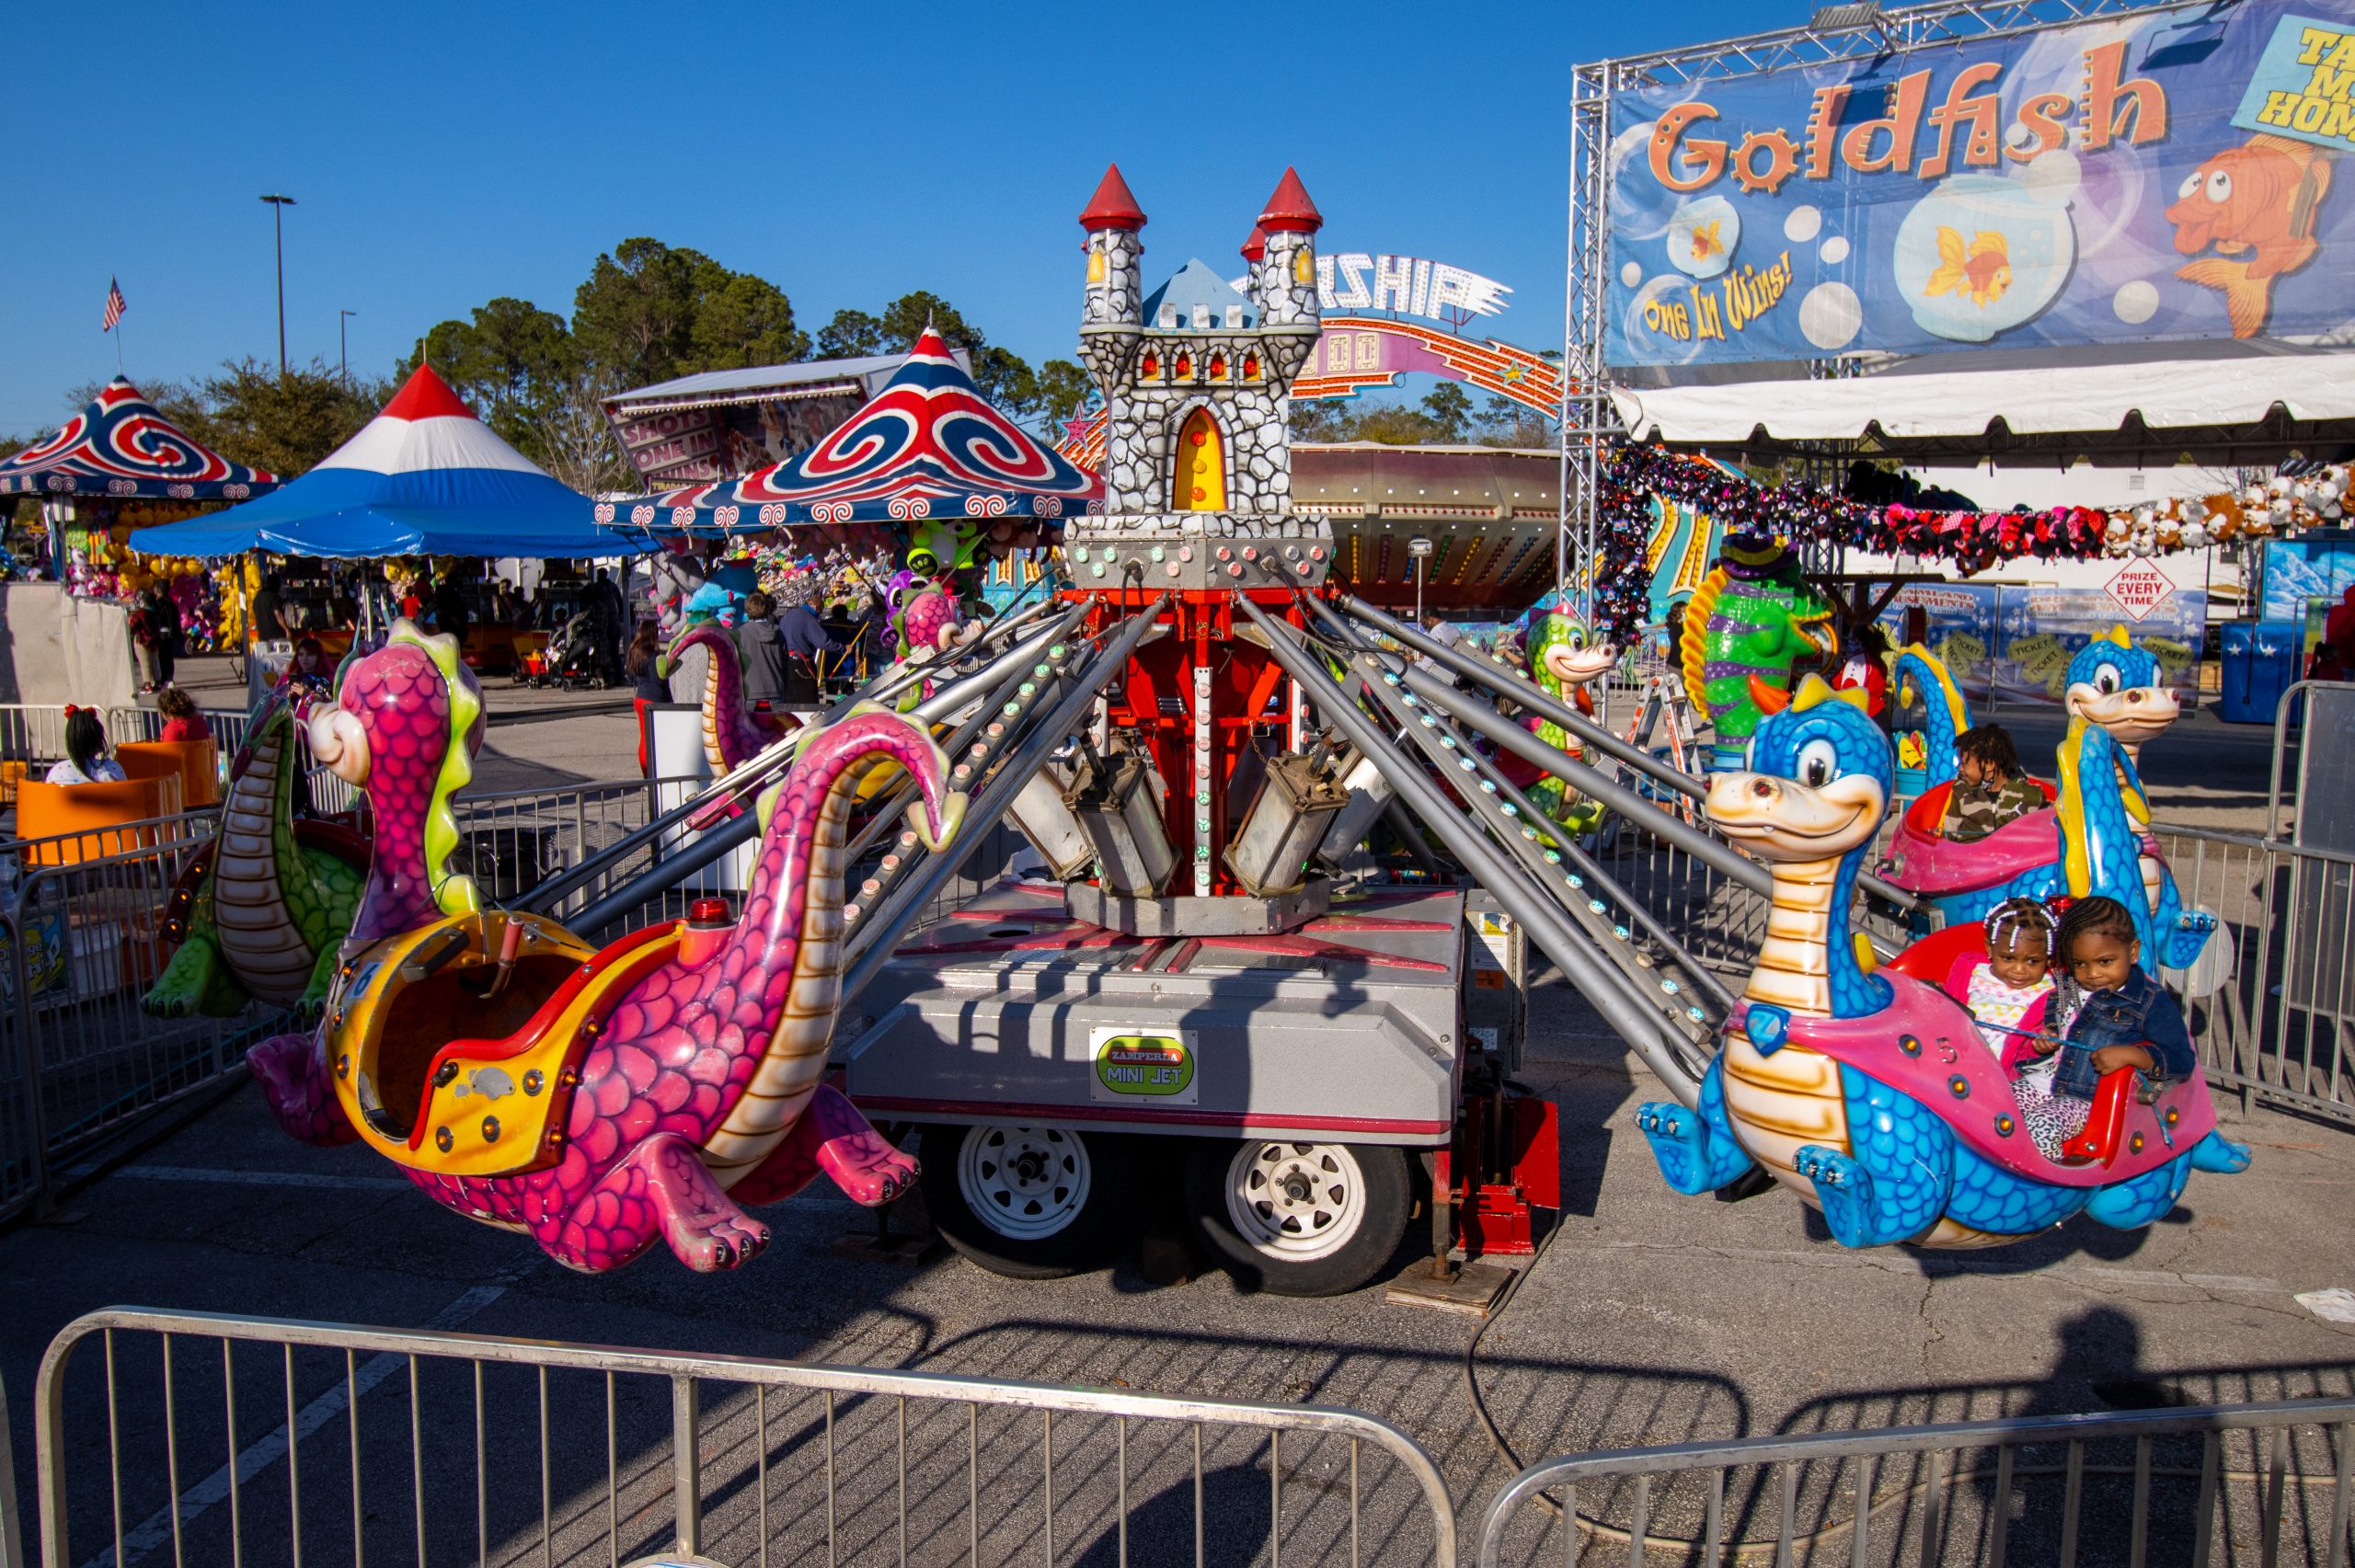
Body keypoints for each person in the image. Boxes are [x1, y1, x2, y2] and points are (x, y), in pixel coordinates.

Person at [1942, 897, 2057, 1068]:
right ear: (1990, 949)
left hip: (2001, 1074)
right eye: (2008, 958)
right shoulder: (1972, 972)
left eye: (2033, 961)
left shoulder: (2050, 992)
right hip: (1951, 1057)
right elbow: (1947, 1007)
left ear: (2048, 958)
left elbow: (2031, 1048)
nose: (2019, 970)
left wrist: (2040, 1044)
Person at [1943, 725, 2042, 843]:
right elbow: (1947, 838)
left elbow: (2046, 834)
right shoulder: (1961, 793)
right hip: (1972, 857)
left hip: (2013, 858)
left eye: (1964, 764)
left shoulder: (2029, 795)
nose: (1960, 769)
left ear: (1989, 765)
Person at [776, 579, 845, 705]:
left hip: (785, 662)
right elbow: (822, 642)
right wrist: (842, 648)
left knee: (790, 703)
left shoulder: (788, 615)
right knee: (808, 703)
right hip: (801, 663)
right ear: (815, 607)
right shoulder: (807, 617)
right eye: (819, 611)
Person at [625, 621, 668, 774]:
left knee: (644, 739)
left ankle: (646, 774)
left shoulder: (634, 650)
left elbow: (630, 676)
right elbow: (658, 680)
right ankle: (654, 774)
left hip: (639, 698)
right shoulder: (652, 655)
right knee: (655, 740)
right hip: (653, 700)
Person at [738, 591, 791, 710]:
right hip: (776, 691)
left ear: (747, 610)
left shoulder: (741, 634)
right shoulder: (778, 633)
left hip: (749, 693)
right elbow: (785, 666)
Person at [47, 707, 127, 784]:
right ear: (98, 743)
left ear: (70, 740)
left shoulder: (56, 773)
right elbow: (128, 795)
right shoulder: (112, 769)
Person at [132, 581, 178, 692]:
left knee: (146, 663)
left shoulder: (142, 613)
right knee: (157, 661)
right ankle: (161, 681)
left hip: (144, 639)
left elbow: (133, 623)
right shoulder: (162, 607)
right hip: (157, 638)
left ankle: (148, 684)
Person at [586, 568, 626, 685]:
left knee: (604, 654)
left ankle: (608, 678)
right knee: (614, 653)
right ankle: (619, 677)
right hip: (615, 624)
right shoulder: (613, 587)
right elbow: (620, 603)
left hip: (607, 627)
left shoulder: (599, 591)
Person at [431, 574, 470, 650]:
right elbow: (451, 611)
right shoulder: (449, 593)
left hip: (449, 625)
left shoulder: (447, 592)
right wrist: (459, 625)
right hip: (451, 627)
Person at [249, 573, 286, 646]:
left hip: (262, 636)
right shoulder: (275, 597)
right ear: (276, 584)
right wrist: (286, 630)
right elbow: (277, 614)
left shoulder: (257, 597)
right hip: (276, 636)